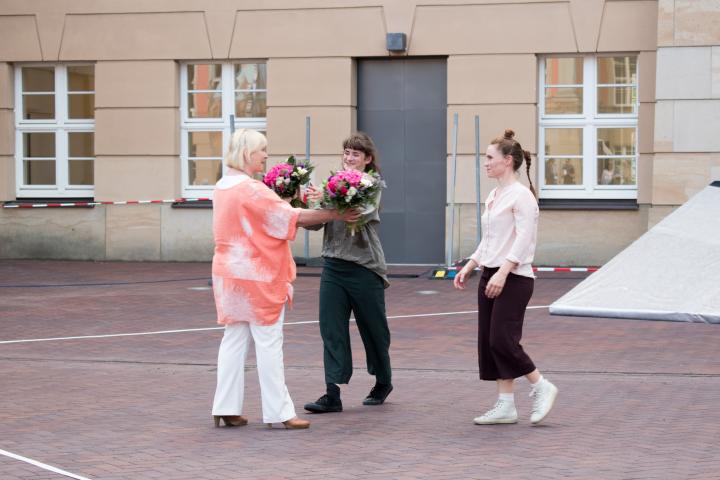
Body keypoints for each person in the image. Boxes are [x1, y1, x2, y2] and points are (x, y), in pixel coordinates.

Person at [211, 129, 361, 429]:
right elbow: (293, 217)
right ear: (247, 154)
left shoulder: (222, 186)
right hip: (258, 277)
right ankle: (279, 412)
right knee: (268, 343)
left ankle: (225, 407)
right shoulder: (250, 189)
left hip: (228, 274)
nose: (266, 155)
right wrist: (337, 214)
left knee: (233, 340)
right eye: (262, 150)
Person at [453, 129, 558, 426]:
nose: (485, 163)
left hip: (514, 278)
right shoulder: (494, 194)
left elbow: (524, 239)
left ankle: (541, 385)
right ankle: (505, 405)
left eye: (489, 158)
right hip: (491, 273)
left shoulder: (522, 196)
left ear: (508, 161)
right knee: (490, 341)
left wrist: (502, 272)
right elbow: (490, 239)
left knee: (503, 338)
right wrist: (471, 265)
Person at [302, 132, 393, 413]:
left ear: (367, 160)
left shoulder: (373, 185)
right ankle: (333, 392)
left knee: (374, 330)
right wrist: (301, 203)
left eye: (355, 154)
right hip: (333, 265)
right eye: (346, 153)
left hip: (365, 267)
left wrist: (326, 195)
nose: (349, 158)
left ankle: (382, 381)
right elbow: (315, 223)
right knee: (331, 328)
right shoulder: (333, 183)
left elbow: (359, 211)